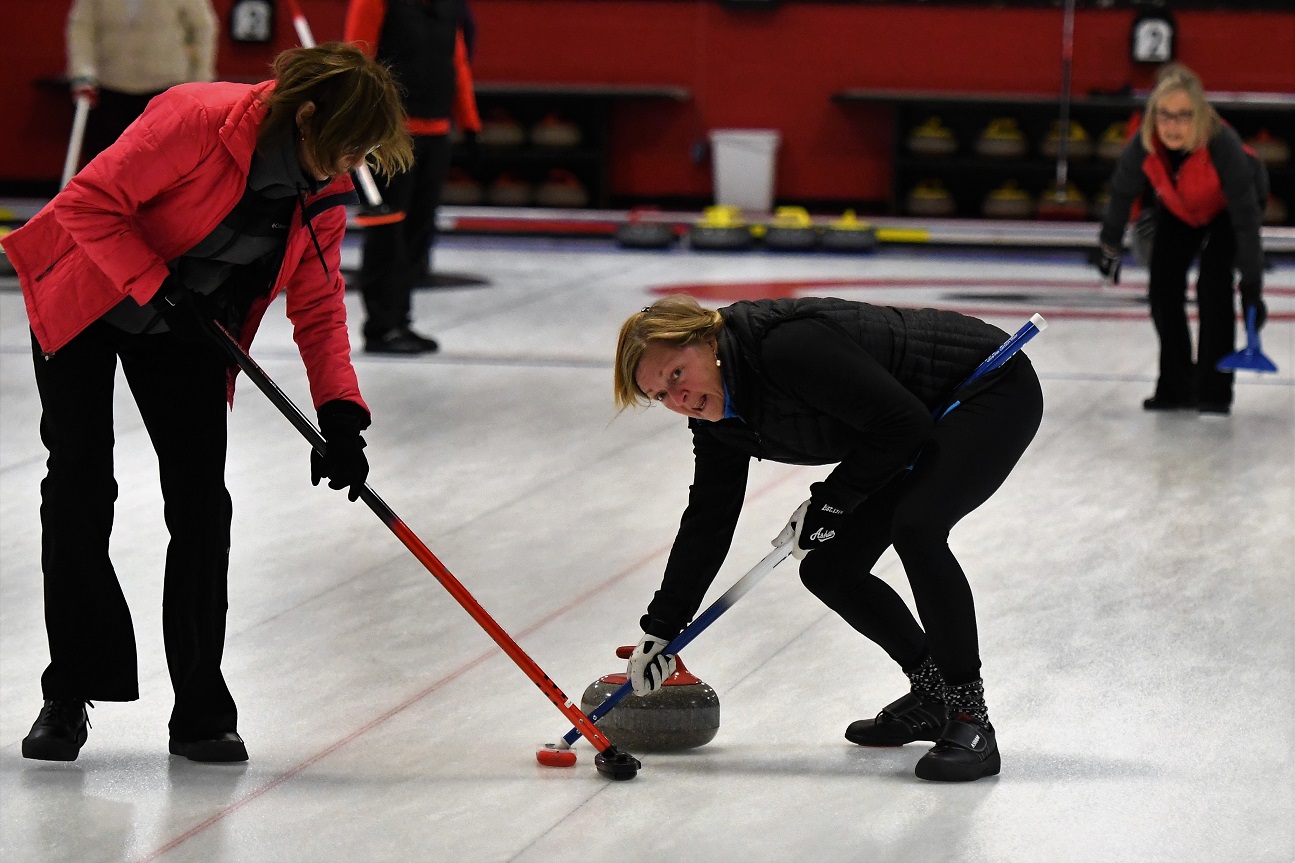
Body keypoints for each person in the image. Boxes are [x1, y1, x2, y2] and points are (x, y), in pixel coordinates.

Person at [1, 43, 413, 764]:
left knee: (200, 503)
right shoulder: (200, 118)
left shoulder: (321, 193)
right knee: (80, 484)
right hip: (86, 295)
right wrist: (157, 288)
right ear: (308, 114)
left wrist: (341, 414)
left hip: (187, 320)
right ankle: (68, 691)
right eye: (344, 144)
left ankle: (200, 707)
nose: (348, 163)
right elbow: (87, 204)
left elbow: (318, 308)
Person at [612, 295, 1044, 782]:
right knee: (829, 568)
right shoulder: (717, 420)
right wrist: (663, 629)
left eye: (676, 374)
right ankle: (933, 695)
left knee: (918, 527)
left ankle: (970, 719)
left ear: (707, 341)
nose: (680, 399)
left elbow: (902, 425)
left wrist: (832, 503)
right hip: (908, 425)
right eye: (661, 395)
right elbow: (709, 518)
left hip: (987, 388)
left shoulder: (786, 348)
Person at [1095, 63, 1268, 416]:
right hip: (1180, 207)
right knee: (1162, 287)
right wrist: (1109, 245)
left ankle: (1214, 390)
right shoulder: (1143, 144)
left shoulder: (1224, 145)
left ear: (1201, 116)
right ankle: (1176, 387)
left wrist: (1252, 289)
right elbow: (1121, 193)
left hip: (1229, 210)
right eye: (1165, 116)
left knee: (1214, 283)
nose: (1173, 126)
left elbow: (1247, 223)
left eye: (1184, 116)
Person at [345, 0, 481, 354]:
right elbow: (357, 58)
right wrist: (355, 123)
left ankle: (400, 320)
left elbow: (458, 59)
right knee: (387, 233)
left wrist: (468, 119)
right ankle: (380, 327)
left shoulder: (448, 6)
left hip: (435, 129)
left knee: (417, 235)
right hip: (389, 133)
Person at [66, 0, 219, 167]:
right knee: (107, 164)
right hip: (110, 87)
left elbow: (203, 27)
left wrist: (201, 80)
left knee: (164, 166)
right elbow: (81, 27)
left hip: (166, 88)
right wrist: (83, 71)